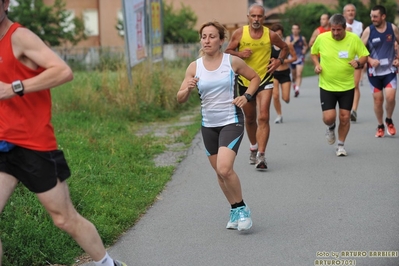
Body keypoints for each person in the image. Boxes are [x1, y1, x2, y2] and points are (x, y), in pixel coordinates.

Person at [0, 1, 126, 265]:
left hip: (32, 145)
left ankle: (107, 263)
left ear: (5, 4)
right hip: (2, 144)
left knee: (64, 218)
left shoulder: (20, 37)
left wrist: (14, 88)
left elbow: (62, 71)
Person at [177, 21, 260, 231]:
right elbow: (180, 98)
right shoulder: (194, 66)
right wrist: (187, 88)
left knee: (225, 168)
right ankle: (233, 209)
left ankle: (242, 209)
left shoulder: (231, 62)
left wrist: (247, 96)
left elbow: (255, 78)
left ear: (221, 40)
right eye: (204, 36)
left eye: (212, 36)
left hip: (231, 121)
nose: (207, 40)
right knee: (219, 172)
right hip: (208, 125)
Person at [225, 3, 288, 169]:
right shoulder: (240, 33)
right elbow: (227, 51)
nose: (256, 19)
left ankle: (261, 155)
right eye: (253, 16)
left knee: (263, 116)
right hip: (245, 81)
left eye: (259, 16)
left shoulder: (270, 35)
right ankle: (253, 147)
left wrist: (278, 61)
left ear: (264, 18)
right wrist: (239, 54)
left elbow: (285, 48)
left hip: (265, 79)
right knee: (251, 118)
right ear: (248, 17)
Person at [311, 14, 369, 156]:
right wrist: (317, 65)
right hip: (327, 85)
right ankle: (330, 127)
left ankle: (341, 145)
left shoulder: (353, 39)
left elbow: (364, 55)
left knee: (344, 117)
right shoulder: (322, 38)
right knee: (329, 117)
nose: (335, 33)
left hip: (347, 86)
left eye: (339, 30)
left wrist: (359, 63)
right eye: (333, 30)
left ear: (345, 28)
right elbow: (313, 53)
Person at [361, 5, 399, 138]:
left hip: (389, 70)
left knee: (390, 97)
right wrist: (370, 60)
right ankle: (380, 125)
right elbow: (359, 50)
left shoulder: (392, 28)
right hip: (374, 73)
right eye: (371, 16)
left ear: (383, 16)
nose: (373, 19)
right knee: (378, 101)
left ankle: (388, 120)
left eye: (375, 16)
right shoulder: (368, 31)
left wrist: (398, 58)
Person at [269, 23, 297, 124]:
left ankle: (287, 98)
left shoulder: (287, 45)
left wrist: (284, 61)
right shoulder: (269, 46)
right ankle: (279, 115)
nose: (278, 37)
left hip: (285, 73)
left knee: (285, 98)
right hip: (274, 73)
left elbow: (295, 58)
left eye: (280, 35)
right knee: (275, 95)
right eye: (276, 35)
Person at [343, 3, 364, 122]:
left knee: (355, 85)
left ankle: (354, 110)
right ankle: (344, 108)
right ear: (344, 13)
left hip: (356, 59)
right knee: (345, 85)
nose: (350, 12)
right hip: (342, 60)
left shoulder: (359, 25)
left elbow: (362, 42)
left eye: (352, 11)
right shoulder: (339, 25)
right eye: (348, 11)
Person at [286, 23, 308, 97]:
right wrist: (294, 41)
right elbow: (287, 47)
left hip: (300, 57)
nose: (295, 30)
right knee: (294, 75)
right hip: (291, 58)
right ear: (292, 30)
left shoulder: (302, 38)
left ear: (299, 30)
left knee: (299, 74)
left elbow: (306, 45)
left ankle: (297, 89)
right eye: (293, 29)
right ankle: (294, 84)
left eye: (296, 29)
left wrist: (304, 49)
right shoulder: (289, 38)